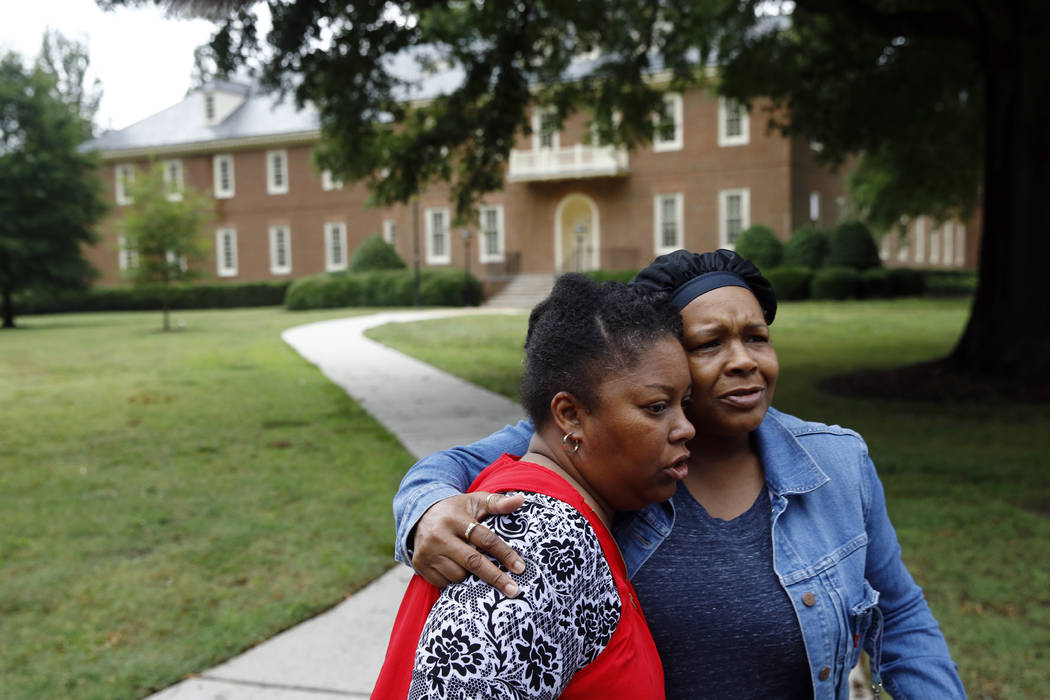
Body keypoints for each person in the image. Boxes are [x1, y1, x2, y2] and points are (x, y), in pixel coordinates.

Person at [392, 250, 967, 700]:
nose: (743, 360)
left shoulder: (836, 463)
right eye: (711, 343)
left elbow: (902, 615)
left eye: (757, 337)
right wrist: (427, 510)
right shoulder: (615, 458)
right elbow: (470, 463)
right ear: (660, 357)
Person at [373, 273, 694, 698]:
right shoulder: (542, 538)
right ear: (570, 415)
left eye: (684, 404)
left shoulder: (538, 503)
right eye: (656, 407)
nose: (686, 428)